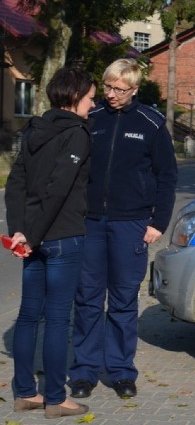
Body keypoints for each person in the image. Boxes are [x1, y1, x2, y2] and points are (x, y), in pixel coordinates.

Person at [68, 59, 178, 400]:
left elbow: (167, 176)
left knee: (122, 301)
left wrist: (157, 222)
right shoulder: (92, 118)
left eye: (120, 89)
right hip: (90, 223)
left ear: (134, 90)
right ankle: (84, 371)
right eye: (109, 87)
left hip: (131, 224)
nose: (112, 95)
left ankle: (120, 371)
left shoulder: (151, 122)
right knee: (86, 299)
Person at [6, 67, 96, 418]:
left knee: (29, 317)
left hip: (32, 237)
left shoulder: (35, 128)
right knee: (58, 320)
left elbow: (16, 183)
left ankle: (26, 393)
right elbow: (59, 189)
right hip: (61, 237)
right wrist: (34, 235)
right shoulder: (77, 133)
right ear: (74, 97)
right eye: (90, 96)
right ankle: (56, 398)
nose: (94, 102)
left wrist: (20, 233)